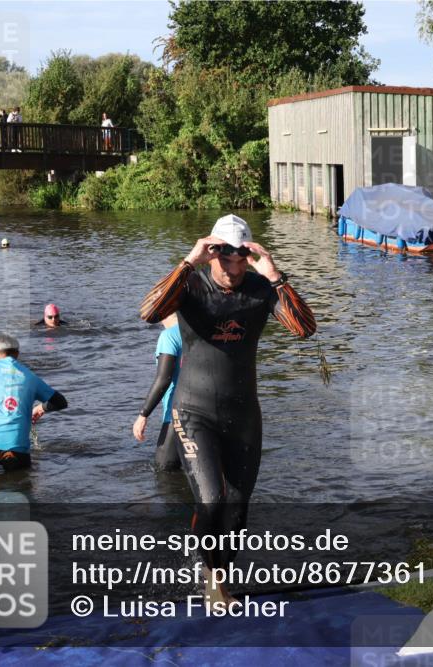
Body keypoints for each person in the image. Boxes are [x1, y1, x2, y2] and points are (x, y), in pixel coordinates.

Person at [139, 214, 316, 605]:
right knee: (212, 500)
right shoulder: (191, 283)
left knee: (236, 511)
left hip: (244, 415)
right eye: (224, 261)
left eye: (240, 262)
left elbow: (304, 329)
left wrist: (275, 276)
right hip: (192, 410)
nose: (233, 271)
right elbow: (149, 312)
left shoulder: (259, 287)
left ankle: (218, 576)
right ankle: (210, 579)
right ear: (212, 253)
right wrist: (189, 261)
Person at [0, 333, 68, 474]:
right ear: (17, 354)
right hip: (17, 449)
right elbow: (61, 402)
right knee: (20, 490)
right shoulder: (30, 376)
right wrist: (40, 407)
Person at [133, 313, 183, 471]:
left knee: (164, 473)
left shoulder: (169, 337)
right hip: (209, 411)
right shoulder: (200, 330)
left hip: (178, 413)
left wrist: (143, 415)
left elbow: (164, 379)